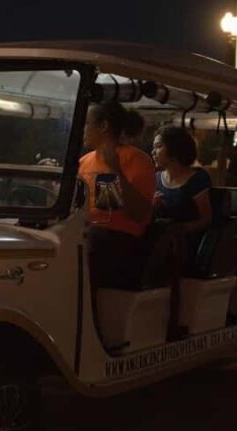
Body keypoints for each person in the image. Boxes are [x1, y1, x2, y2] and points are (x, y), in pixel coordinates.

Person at [79, 101, 154, 293]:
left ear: (103, 126)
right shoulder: (83, 162)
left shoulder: (136, 159)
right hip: (88, 233)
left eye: (87, 123)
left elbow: (138, 214)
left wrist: (116, 170)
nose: (83, 128)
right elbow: (102, 207)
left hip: (118, 242)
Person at [150, 126, 211, 341]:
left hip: (188, 240)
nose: (153, 152)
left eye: (158, 147)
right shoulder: (156, 179)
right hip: (161, 237)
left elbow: (206, 219)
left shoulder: (197, 179)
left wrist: (180, 230)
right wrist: (153, 206)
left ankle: (173, 321)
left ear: (174, 149)